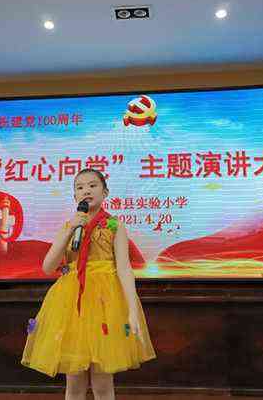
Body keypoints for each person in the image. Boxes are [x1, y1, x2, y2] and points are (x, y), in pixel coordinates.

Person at [21, 168, 156, 400]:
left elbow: (124, 268)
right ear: (75, 196)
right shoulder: (69, 226)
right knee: (74, 381)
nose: (86, 190)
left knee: (103, 381)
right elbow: (48, 266)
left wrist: (133, 310)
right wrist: (70, 230)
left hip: (106, 303)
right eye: (80, 187)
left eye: (93, 185)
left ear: (105, 192)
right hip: (72, 303)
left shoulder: (115, 225)